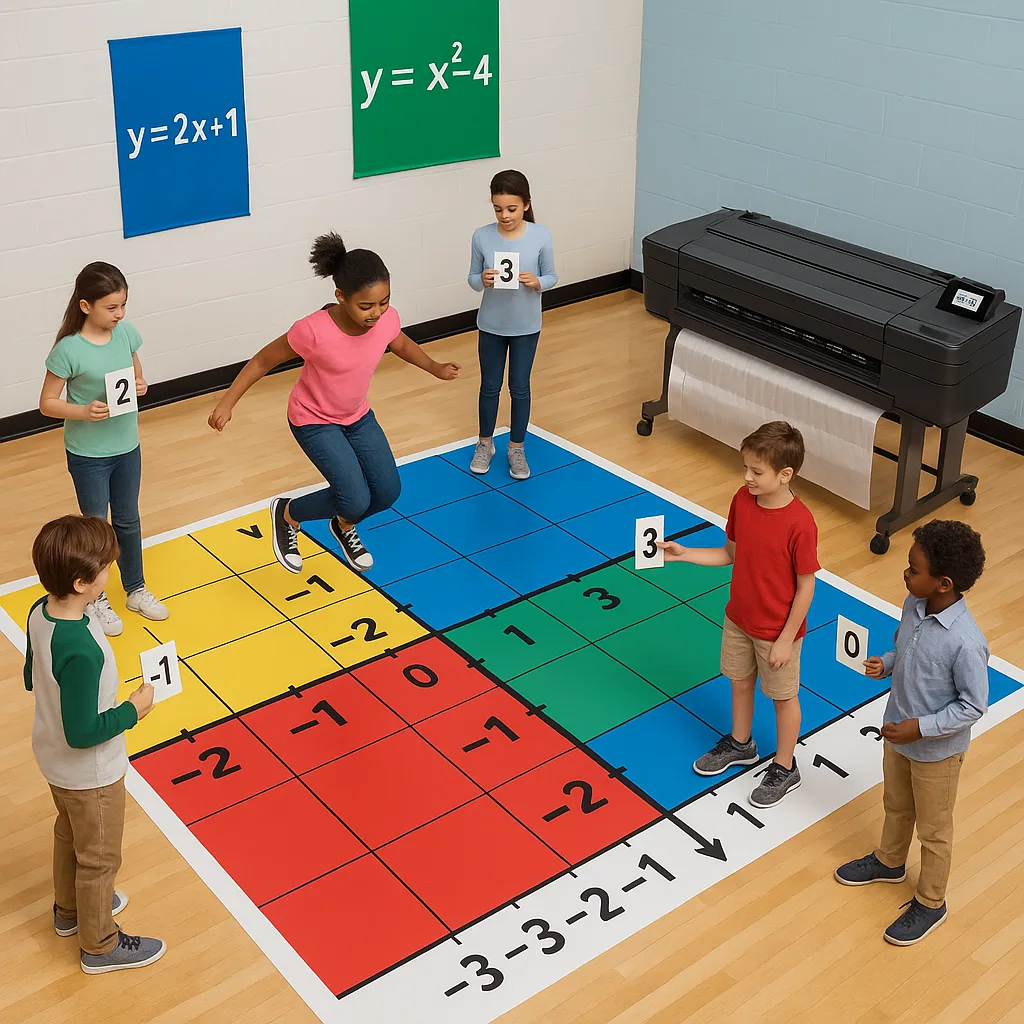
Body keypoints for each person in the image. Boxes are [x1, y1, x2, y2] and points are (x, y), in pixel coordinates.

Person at [209, 234, 460, 573]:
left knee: (386, 493)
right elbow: (262, 361)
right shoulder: (312, 331)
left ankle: (342, 527)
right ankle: (287, 514)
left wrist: (435, 367)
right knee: (354, 498)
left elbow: (398, 342)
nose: (377, 313)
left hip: (357, 416)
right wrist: (227, 403)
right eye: (366, 306)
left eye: (384, 302)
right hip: (313, 420)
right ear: (340, 297)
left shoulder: (386, 319)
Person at [835, 520, 988, 946]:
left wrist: (919, 728)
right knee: (896, 804)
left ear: (944, 583)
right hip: (897, 733)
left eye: (913, 569)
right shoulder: (912, 605)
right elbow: (904, 646)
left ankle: (931, 902)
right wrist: (885, 663)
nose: (905, 574)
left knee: (934, 831)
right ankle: (889, 862)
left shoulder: (966, 642)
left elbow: (973, 705)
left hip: (936, 753)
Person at [26, 515, 165, 973]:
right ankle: (100, 944)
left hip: (53, 761)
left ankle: (70, 913)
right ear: (84, 583)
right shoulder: (81, 647)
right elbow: (83, 732)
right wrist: (133, 710)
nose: (111, 571)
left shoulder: (38, 611)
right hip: (93, 774)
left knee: (68, 834)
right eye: (106, 568)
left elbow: (33, 674)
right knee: (100, 858)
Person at [659, 421, 819, 808]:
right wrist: (686, 554)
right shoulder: (742, 501)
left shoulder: (801, 524)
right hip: (739, 619)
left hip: (777, 632)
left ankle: (785, 766)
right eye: (745, 468)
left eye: (756, 472)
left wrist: (784, 638)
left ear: (785, 475)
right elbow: (729, 554)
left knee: (784, 698)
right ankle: (741, 743)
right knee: (739, 681)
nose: (747, 477)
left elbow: (806, 587)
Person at [39, 262, 169, 637]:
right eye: (111, 307)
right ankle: (95, 597)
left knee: (128, 520)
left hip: (127, 446)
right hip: (88, 453)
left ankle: (135, 588)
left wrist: (141, 383)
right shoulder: (69, 349)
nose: (120, 314)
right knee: (96, 527)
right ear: (85, 306)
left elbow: (136, 372)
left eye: (123, 305)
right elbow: (47, 403)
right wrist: (82, 410)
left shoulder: (126, 333)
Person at [467, 169, 557, 481]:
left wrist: (538, 283)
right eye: (498, 209)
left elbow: (552, 276)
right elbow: (472, 280)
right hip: (491, 325)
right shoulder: (482, 236)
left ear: (526, 205)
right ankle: (485, 444)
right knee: (489, 386)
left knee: (520, 387)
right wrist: (483, 280)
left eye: (511, 209)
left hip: (526, 327)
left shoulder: (540, 235)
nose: (504, 216)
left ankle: (516, 448)